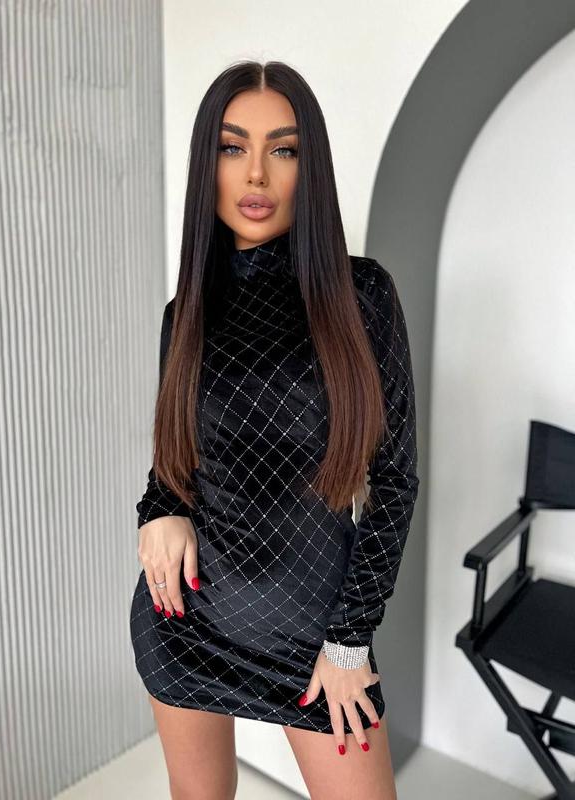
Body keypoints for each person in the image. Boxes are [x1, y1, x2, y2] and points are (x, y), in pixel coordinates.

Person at [129, 59, 419, 800]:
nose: (256, 173)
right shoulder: (184, 316)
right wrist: (158, 511)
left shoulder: (363, 295)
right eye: (232, 147)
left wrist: (349, 642)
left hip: (317, 639)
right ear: (208, 164)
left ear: (308, 166)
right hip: (186, 619)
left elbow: (393, 481)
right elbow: (176, 462)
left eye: (282, 149)